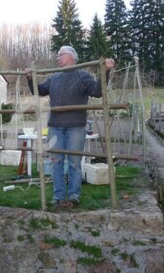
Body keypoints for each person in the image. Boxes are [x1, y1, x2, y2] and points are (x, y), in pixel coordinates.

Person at [25, 46, 115, 207]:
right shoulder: (54, 77)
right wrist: (30, 79)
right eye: (57, 56)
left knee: (74, 163)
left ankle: (74, 196)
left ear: (72, 57)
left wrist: (106, 72)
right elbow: (39, 91)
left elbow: (97, 92)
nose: (57, 58)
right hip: (55, 127)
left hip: (75, 127)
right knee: (55, 162)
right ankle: (58, 197)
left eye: (61, 55)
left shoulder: (82, 76)